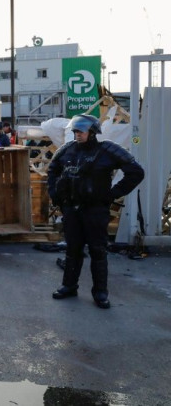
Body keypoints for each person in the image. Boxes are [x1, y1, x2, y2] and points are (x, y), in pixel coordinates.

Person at [47, 114, 144, 309]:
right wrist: (56, 195)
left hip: (95, 210)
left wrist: (112, 194)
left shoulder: (107, 150)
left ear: (92, 132)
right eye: (75, 131)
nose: (77, 135)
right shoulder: (67, 150)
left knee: (98, 251)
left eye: (80, 131)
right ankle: (69, 286)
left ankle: (100, 292)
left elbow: (136, 172)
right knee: (73, 250)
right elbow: (52, 170)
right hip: (72, 209)